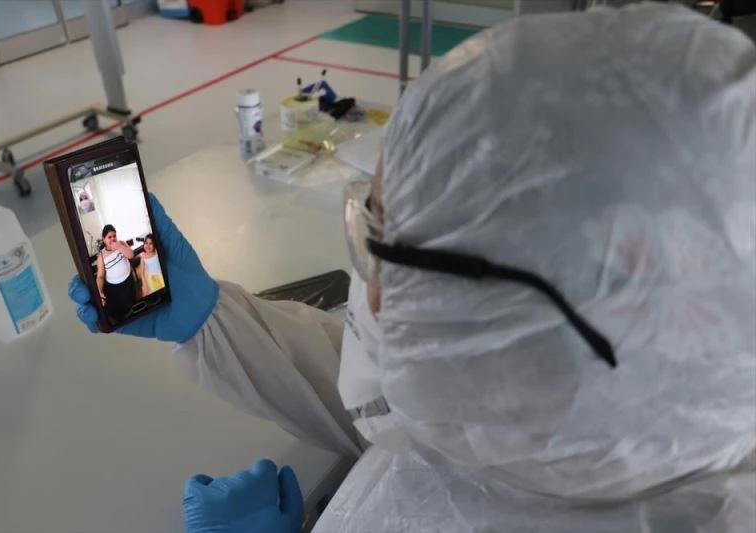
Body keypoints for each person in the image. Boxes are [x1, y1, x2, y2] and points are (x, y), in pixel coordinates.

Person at [69, 4, 756, 532]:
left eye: (379, 237)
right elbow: (415, 407)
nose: (372, 295)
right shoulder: (631, 416)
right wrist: (216, 322)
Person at [96, 224, 136, 323]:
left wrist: (119, 247)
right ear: (104, 239)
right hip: (114, 287)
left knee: (132, 303)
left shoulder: (121, 243)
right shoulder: (101, 256)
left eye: (114, 236)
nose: (113, 239)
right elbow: (100, 276)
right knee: (119, 310)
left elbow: (131, 255)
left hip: (128, 280)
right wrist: (99, 291)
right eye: (109, 237)